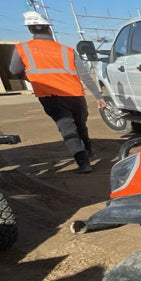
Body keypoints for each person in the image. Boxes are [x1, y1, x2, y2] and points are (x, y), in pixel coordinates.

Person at [9, 12, 107, 173]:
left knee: (67, 128)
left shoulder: (22, 48)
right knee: (80, 125)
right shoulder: (66, 50)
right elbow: (85, 75)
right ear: (49, 29)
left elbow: (14, 71)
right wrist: (98, 96)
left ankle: (84, 163)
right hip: (75, 95)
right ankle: (88, 152)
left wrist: (31, 78)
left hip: (50, 96)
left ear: (30, 30)